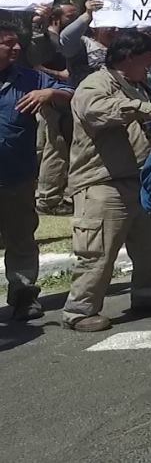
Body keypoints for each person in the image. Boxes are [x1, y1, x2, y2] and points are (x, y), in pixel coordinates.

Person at [61, 30, 151, 332]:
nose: (150, 65)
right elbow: (94, 111)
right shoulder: (96, 83)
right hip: (103, 182)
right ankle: (80, 311)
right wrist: (145, 108)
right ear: (128, 57)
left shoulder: (139, 86)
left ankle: (149, 296)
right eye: (147, 58)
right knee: (96, 251)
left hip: (142, 179)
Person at [0, 22, 73, 322]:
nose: (17, 48)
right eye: (8, 43)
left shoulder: (29, 77)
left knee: (20, 238)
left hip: (16, 176)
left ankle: (23, 294)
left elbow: (71, 91)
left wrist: (47, 94)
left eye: (17, 43)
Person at [28, 5, 73, 215]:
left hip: (57, 96)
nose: (72, 19)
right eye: (70, 16)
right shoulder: (47, 40)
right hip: (48, 98)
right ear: (56, 18)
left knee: (48, 146)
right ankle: (47, 199)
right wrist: (59, 74)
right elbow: (33, 65)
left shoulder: (57, 38)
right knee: (56, 147)